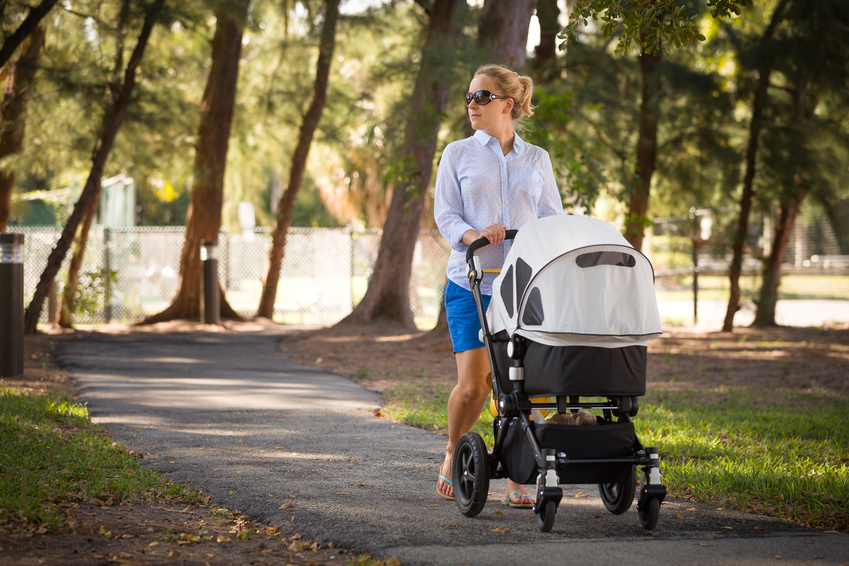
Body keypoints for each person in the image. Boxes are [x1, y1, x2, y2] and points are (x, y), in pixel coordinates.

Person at [433, 64, 565, 507]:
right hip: (470, 282)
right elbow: (446, 215)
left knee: (524, 386)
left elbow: (551, 219)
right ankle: (453, 448)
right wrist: (476, 235)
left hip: (523, 287)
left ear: (507, 104)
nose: (472, 104)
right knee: (475, 386)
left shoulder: (537, 159)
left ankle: (517, 477)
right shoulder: (457, 153)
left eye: (482, 96)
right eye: (469, 96)